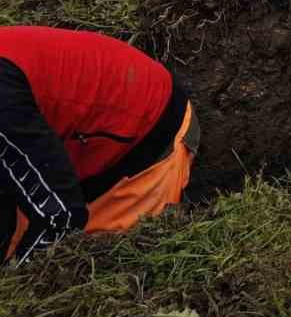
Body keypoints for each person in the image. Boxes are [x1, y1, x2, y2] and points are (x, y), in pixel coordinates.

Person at [1, 27, 197, 264]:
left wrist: (19, 286)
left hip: (148, 136)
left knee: (92, 258)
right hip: (74, 130)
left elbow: (60, 216)